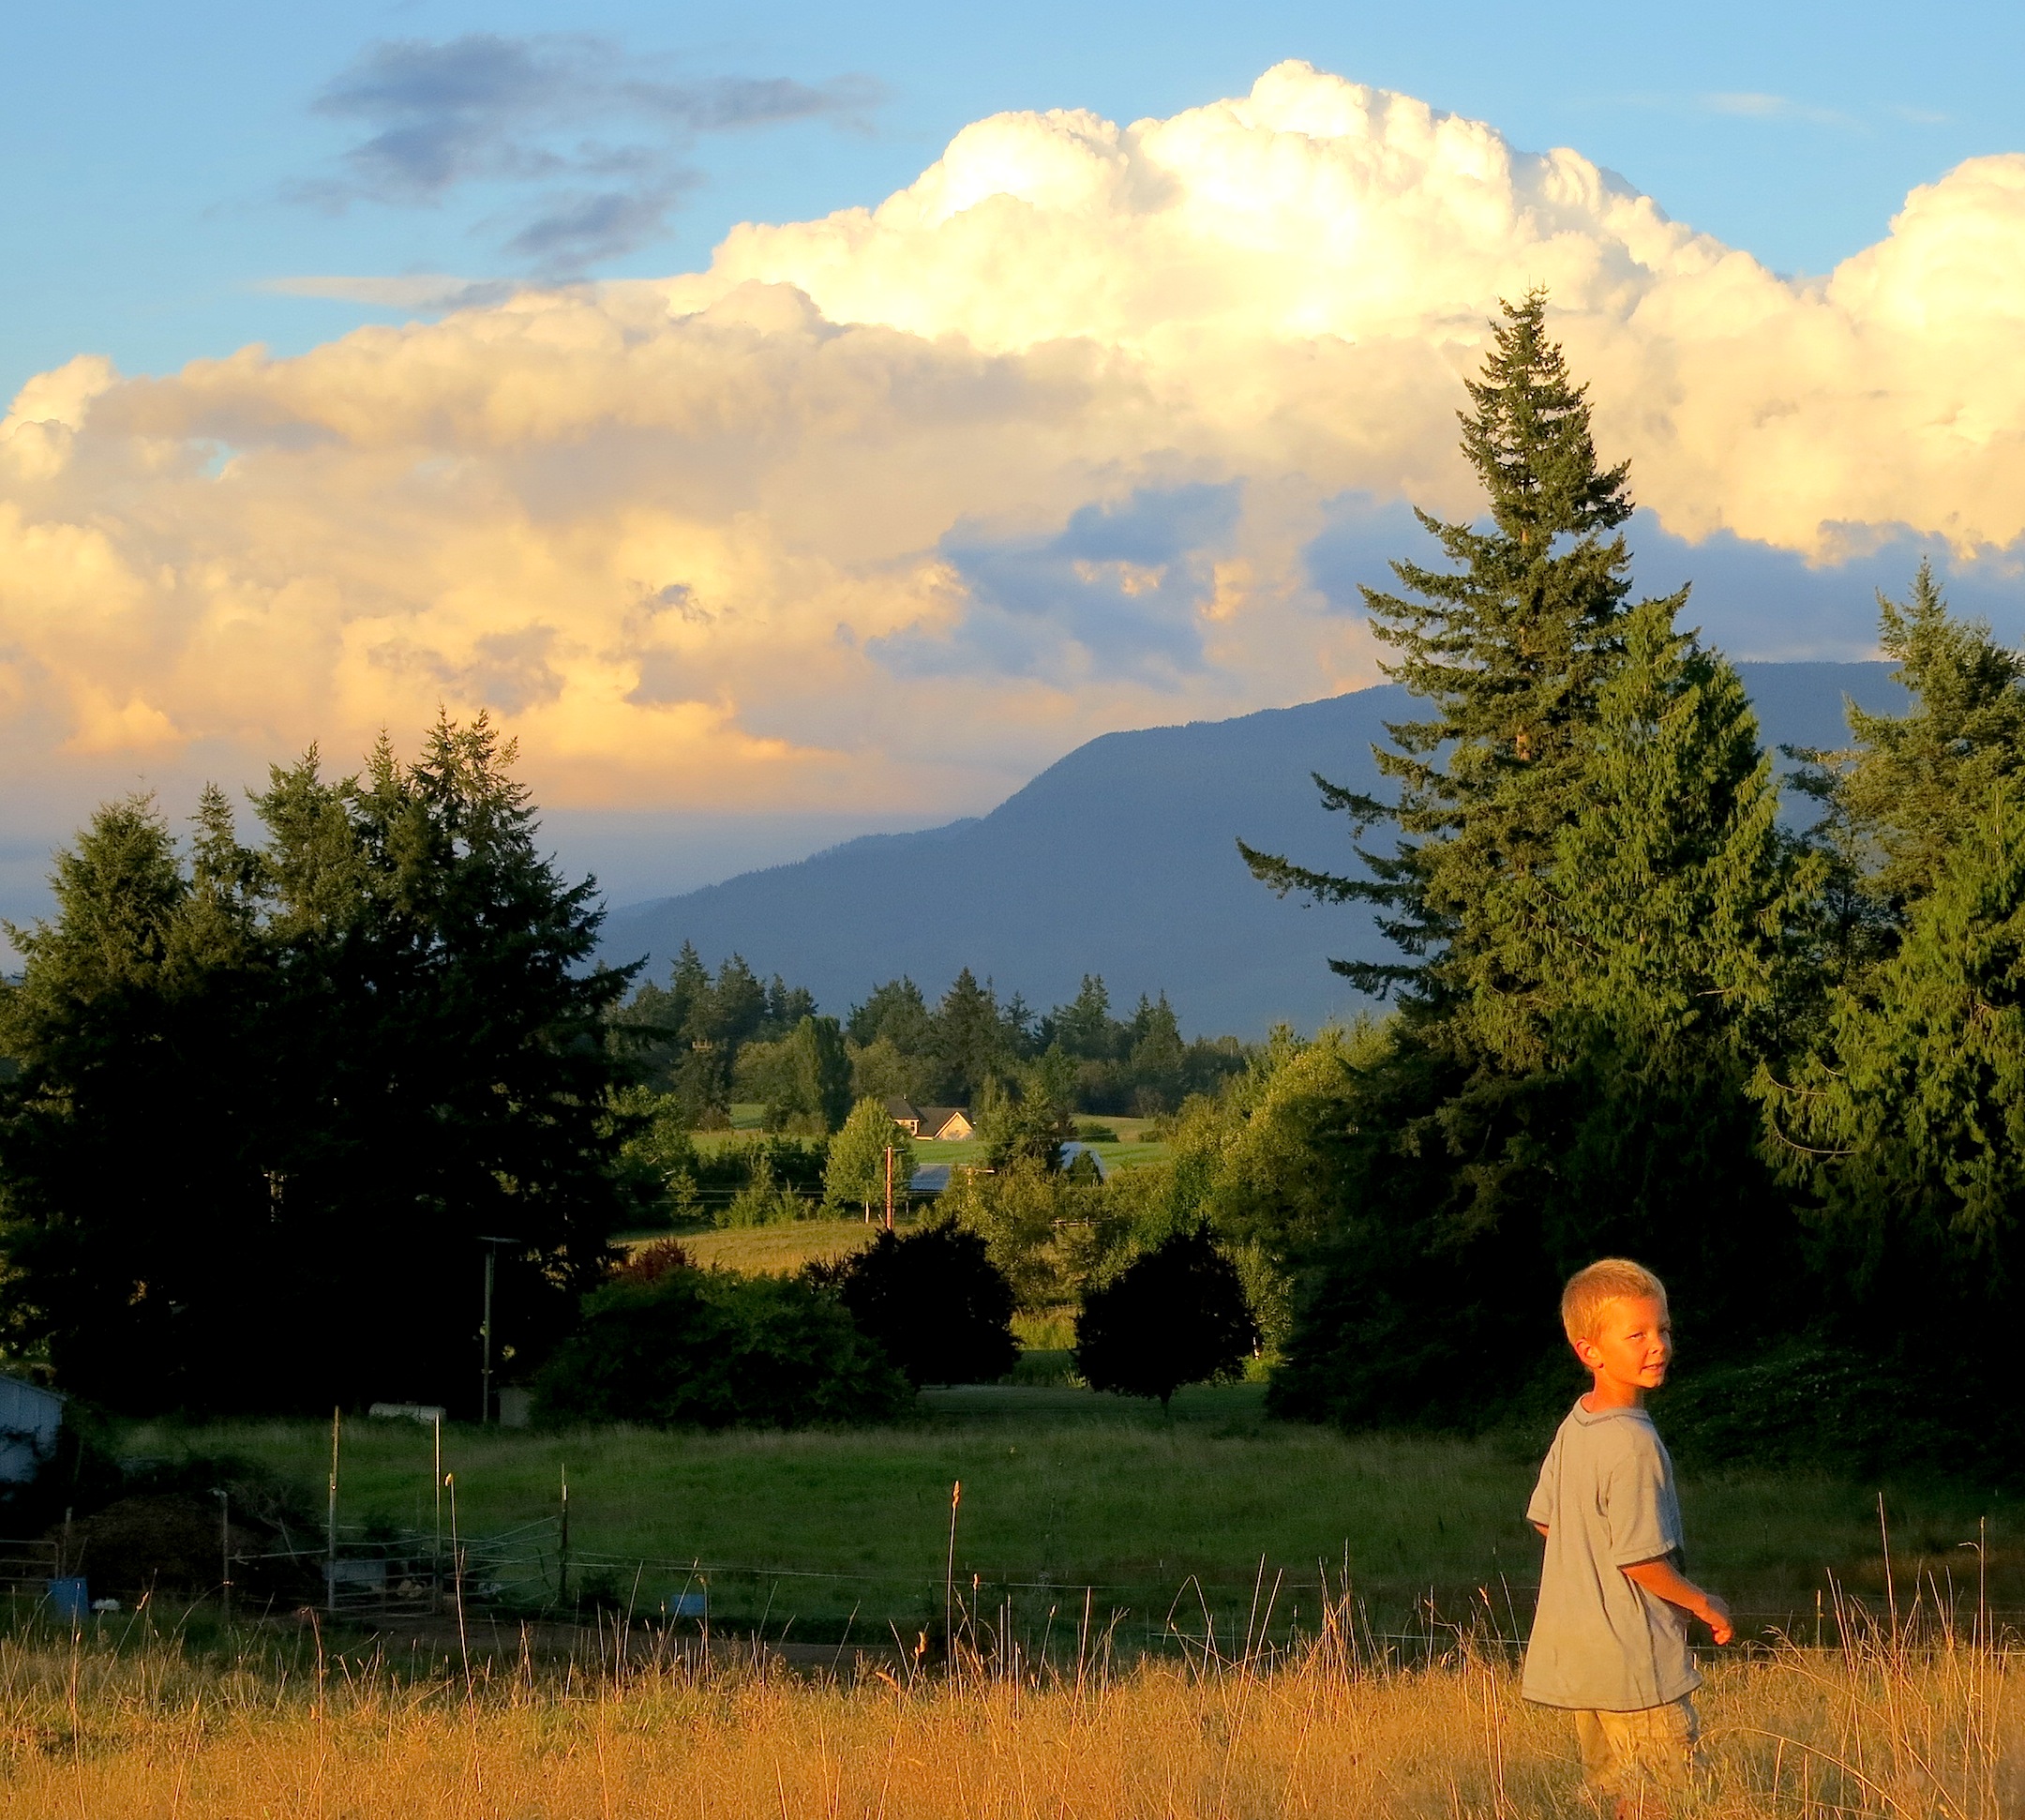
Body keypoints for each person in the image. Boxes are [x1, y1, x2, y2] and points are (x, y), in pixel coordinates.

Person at [1522, 1258, 1734, 1816]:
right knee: (1672, 1799)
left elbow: (1547, 1521)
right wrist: (1701, 1602)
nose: (1657, 1345)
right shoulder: (1633, 1444)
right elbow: (1640, 1560)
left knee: (1623, 1799)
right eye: (1636, 1335)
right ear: (1590, 1351)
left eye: (1662, 1329)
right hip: (1636, 1662)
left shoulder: (1578, 1422)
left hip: (1587, 1662)